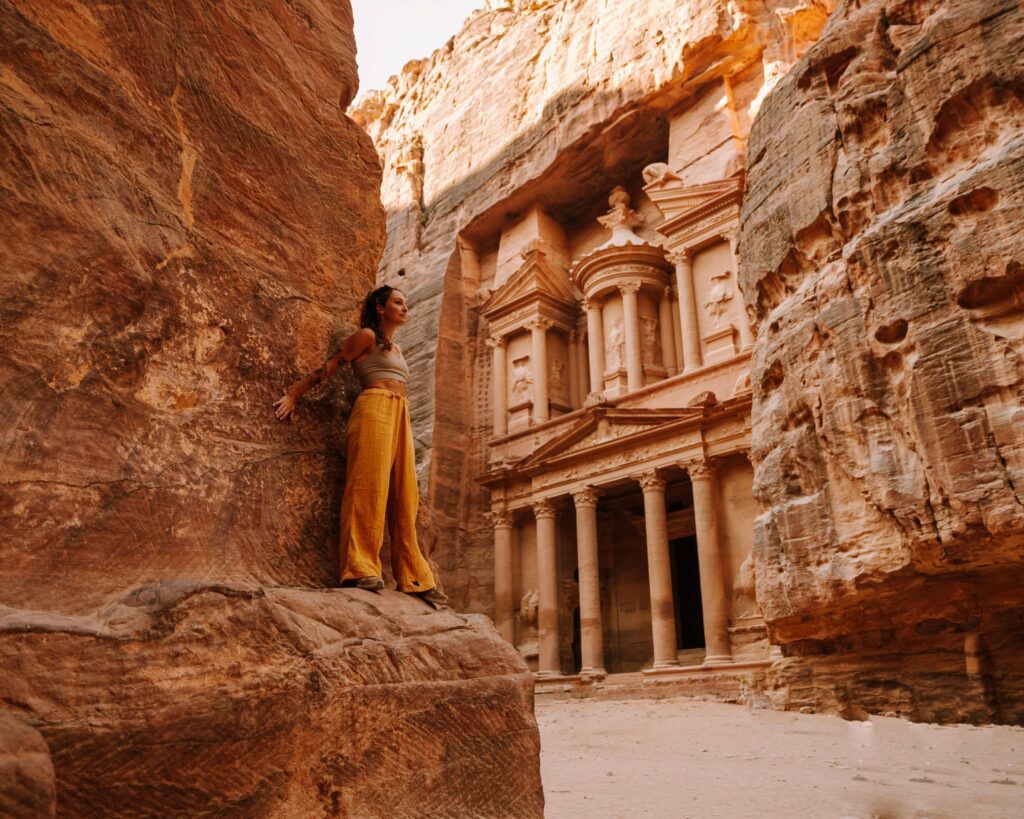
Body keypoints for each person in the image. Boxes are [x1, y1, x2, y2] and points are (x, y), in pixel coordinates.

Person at [273, 285, 447, 606]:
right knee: (368, 486)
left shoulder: (396, 348)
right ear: (380, 308)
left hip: (400, 414)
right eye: (398, 302)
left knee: (405, 495)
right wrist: (294, 394)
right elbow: (330, 365)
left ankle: (413, 576)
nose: (405, 308)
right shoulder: (366, 336)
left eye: (406, 303)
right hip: (374, 408)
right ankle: (359, 567)